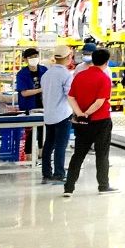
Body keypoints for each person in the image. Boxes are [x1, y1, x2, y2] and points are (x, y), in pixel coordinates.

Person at [64, 48, 118, 197]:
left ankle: (69, 188)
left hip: (82, 123)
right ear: (106, 62)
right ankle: (103, 186)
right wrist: (87, 113)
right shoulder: (104, 78)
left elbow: (71, 97)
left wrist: (80, 114)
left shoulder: (79, 76)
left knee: (78, 155)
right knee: (102, 155)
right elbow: (100, 102)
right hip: (101, 121)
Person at [40, 45, 73, 183]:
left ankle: (46, 172)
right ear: (68, 57)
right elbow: (70, 95)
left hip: (49, 115)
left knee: (48, 144)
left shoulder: (46, 74)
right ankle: (59, 173)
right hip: (63, 115)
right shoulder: (66, 75)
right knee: (60, 145)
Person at [14, 48, 48, 159]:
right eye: (31, 57)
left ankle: (42, 154)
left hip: (43, 104)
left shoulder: (44, 70)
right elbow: (24, 93)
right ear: (25, 59)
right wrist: (40, 90)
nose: (34, 59)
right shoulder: (22, 74)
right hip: (28, 106)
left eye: (35, 56)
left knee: (43, 130)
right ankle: (28, 156)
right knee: (30, 132)